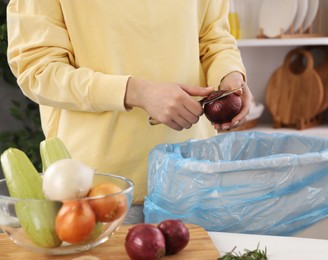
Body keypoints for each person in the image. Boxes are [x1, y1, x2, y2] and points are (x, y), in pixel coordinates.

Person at [6, 0, 252, 223]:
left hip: (195, 177)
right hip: (98, 189)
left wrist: (229, 74)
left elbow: (214, 39)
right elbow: (37, 69)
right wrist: (136, 92)